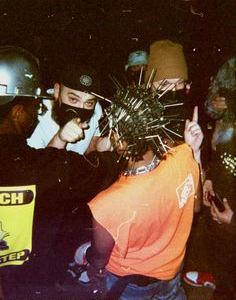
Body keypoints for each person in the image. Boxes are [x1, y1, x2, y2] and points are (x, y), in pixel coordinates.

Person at [0, 46, 123, 300]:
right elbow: (56, 171)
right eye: (34, 107)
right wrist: (110, 153)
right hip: (25, 272)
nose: (38, 112)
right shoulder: (27, 164)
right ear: (17, 112)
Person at [74, 84, 203, 300]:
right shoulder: (184, 154)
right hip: (171, 272)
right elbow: (196, 206)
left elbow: (99, 259)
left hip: (131, 285)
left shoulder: (108, 204)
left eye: (112, 130)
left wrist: (90, 264)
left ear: (121, 141)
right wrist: (195, 151)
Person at [184, 57, 236, 300]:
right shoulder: (231, 66)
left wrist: (234, 221)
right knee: (218, 234)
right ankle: (218, 278)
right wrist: (210, 178)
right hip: (226, 171)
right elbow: (211, 109)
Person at [27, 62, 103, 154]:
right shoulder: (33, 117)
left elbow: (90, 148)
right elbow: (35, 166)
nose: (81, 108)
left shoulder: (96, 109)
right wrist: (59, 139)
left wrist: (99, 147)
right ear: (57, 91)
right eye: (73, 99)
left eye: (89, 102)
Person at [144, 39, 190, 137]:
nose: (173, 89)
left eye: (179, 83)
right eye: (165, 84)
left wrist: (195, 149)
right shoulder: (136, 118)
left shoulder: (189, 116)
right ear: (149, 84)